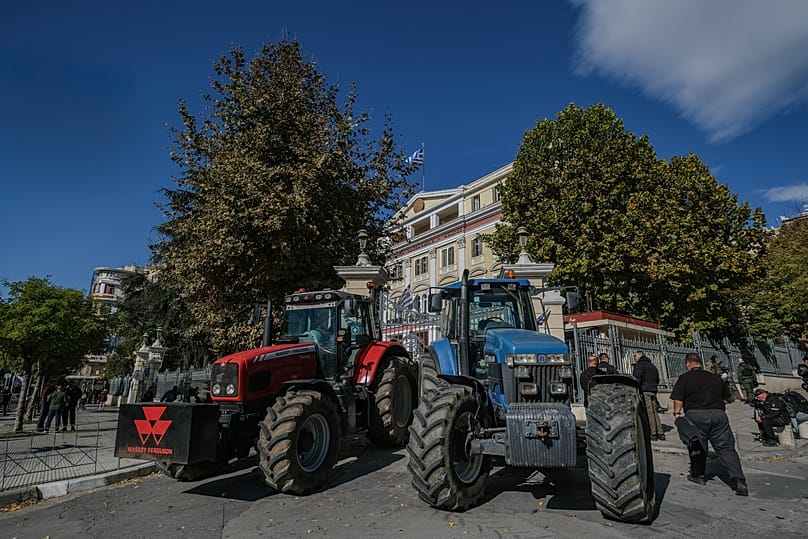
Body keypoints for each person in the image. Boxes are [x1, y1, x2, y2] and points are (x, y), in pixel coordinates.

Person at [671, 352, 747, 496]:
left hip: (696, 415)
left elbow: (678, 398)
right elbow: (728, 397)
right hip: (718, 414)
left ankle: (698, 475)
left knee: (697, 446)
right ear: (700, 363)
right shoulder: (715, 378)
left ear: (688, 364)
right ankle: (739, 480)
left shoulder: (684, 378)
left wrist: (677, 413)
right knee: (726, 448)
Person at [632, 351, 664, 441]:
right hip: (653, 390)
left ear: (640, 356)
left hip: (645, 390)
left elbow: (637, 378)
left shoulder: (640, 365)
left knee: (649, 412)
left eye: (635, 356)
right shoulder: (652, 366)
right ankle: (660, 432)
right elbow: (657, 378)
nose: (634, 357)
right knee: (654, 411)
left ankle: (653, 433)